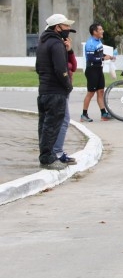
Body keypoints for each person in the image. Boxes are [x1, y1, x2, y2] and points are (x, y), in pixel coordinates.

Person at [35, 14, 75, 170]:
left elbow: (38, 68)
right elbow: (61, 69)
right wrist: (67, 85)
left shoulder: (42, 42)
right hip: (55, 92)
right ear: (57, 27)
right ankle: (48, 158)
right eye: (66, 26)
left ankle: (47, 155)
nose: (68, 29)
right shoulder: (56, 44)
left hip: (44, 90)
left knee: (45, 126)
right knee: (52, 126)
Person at [52, 28, 78, 165]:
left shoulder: (64, 50)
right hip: (59, 89)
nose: (67, 37)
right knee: (63, 120)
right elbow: (64, 67)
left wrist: (70, 50)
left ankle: (56, 150)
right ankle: (57, 151)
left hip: (66, 88)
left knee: (63, 119)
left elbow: (74, 67)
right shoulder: (56, 48)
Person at [81, 22, 114, 122]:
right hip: (92, 70)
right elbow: (91, 58)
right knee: (91, 93)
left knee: (100, 92)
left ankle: (103, 114)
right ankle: (84, 115)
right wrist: (103, 58)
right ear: (94, 32)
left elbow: (99, 53)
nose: (102, 31)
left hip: (99, 69)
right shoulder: (90, 43)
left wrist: (109, 56)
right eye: (100, 29)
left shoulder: (98, 41)